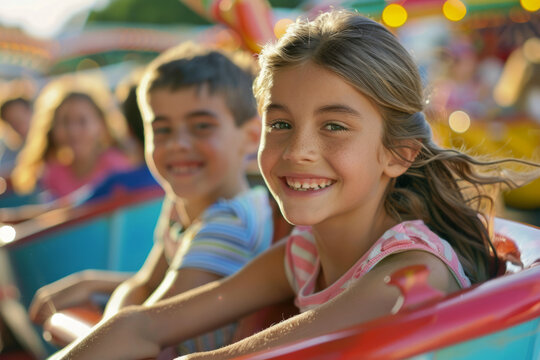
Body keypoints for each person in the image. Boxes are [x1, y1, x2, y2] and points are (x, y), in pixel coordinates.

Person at [50, 10, 539, 360]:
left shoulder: (409, 273)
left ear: (398, 153)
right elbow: (145, 323)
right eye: (280, 124)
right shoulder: (303, 252)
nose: (298, 150)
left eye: (334, 126)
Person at [29, 42, 274, 356]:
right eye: (162, 130)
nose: (178, 144)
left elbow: (146, 327)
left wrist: (110, 324)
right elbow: (144, 285)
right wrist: (95, 287)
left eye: (201, 126)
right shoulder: (180, 205)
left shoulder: (229, 223)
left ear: (252, 136)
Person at [10, 74, 135, 201]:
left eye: (82, 121)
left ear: (101, 124)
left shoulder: (116, 165)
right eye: (65, 122)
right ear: (52, 128)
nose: (73, 131)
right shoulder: (52, 174)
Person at [0, 97, 33, 177]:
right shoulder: (13, 149)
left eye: (18, 118)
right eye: (12, 122)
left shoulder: (51, 141)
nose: (17, 126)